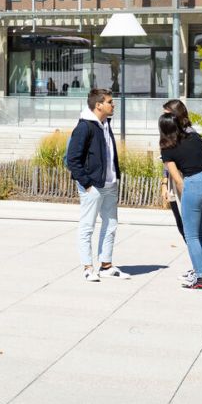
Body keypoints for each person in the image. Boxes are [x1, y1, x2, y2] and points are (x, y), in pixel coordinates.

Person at [65, 88, 127, 283]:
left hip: (109, 183)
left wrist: (115, 176)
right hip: (93, 185)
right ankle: (87, 267)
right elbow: (73, 160)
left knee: (111, 225)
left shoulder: (105, 124)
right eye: (110, 101)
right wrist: (87, 184)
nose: (113, 104)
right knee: (87, 226)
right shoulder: (85, 127)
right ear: (98, 105)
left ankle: (106, 265)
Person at [160, 109, 202, 291]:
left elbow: (177, 179)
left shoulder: (167, 147)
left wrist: (186, 197)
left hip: (194, 183)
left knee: (191, 235)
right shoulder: (194, 137)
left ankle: (201, 279)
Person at [160, 99, 202, 283]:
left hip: (185, 185)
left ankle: (199, 269)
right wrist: (163, 183)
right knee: (182, 226)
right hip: (174, 184)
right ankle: (198, 267)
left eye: (167, 114)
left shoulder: (189, 134)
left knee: (190, 229)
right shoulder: (170, 133)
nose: (163, 118)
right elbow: (167, 162)